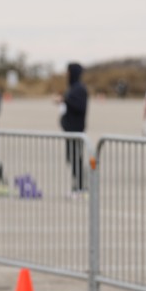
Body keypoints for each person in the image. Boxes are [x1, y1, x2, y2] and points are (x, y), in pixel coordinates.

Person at [59, 62, 88, 194]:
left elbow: (80, 107)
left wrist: (65, 100)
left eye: (68, 71)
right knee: (71, 158)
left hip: (76, 129)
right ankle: (77, 185)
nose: (67, 74)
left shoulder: (80, 89)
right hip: (69, 129)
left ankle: (81, 186)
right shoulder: (71, 88)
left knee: (77, 158)